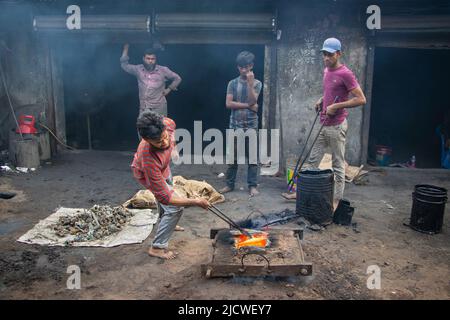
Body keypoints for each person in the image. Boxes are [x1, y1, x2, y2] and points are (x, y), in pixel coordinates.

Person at [282, 38, 366, 210]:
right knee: (312, 162)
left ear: (339, 54)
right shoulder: (326, 71)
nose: (326, 58)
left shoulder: (346, 73)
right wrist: (322, 100)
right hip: (323, 122)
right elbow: (331, 91)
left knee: (337, 165)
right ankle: (301, 192)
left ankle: (336, 201)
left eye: (330, 54)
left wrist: (336, 106)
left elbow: (361, 99)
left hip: (336, 126)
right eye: (324, 54)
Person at [131, 111, 210, 259]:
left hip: (164, 166)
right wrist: (194, 201)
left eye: (165, 137)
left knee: (169, 188)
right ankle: (157, 247)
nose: (165, 143)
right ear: (147, 140)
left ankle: (166, 224)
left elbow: (171, 130)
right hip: (148, 173)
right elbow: (165, 197)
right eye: (159, 142)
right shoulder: (147, 159)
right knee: (175, 208)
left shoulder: (166, 123)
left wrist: (174, 148)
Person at [219, 51, 262, 197]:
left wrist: (250, 84)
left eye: (247, 67)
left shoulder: (257, 83)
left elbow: (252, 100)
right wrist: (250, 106)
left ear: (251, 66)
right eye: (241, 67)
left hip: (251, 125)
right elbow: (228, 103)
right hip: (235, 125)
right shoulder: (232, 83)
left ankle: (252, 186)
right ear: (238, 67)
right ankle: (229, 184)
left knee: (252, 158)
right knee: (233, 157)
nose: (244, 70)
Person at [120, 44, 181, 116]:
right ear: (143, 59)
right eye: (148, 58)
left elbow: (177, 78)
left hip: (159, 107)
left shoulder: (163, 70)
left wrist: (169, 89)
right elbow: (124, 65)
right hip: (144, 108)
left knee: (160, 127)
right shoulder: (138, 69)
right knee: (143, 127)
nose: (150, 61)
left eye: (153, 59)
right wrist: (126, 48)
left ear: (156, 59)